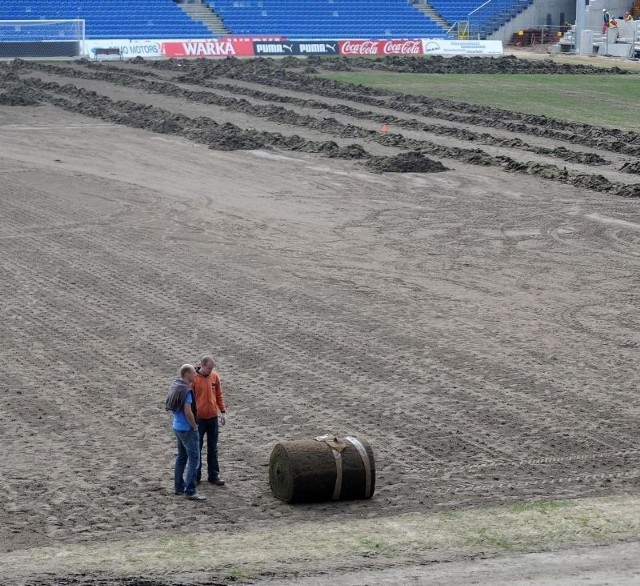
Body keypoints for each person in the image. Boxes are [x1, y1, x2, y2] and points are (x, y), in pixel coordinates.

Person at [165, 364, 205, 501]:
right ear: (187, 374)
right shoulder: (187, 391)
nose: (196, 375)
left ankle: (178, 487)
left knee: (181, 457)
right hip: (187, 429)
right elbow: (188, 412)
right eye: (194, 372)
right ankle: (190, 490)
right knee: (194, 459)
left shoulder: (175, 385)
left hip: (177, 426)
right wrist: (194, 426)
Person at [192, 355, 227, 486]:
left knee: (213, 449)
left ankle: (214, 475)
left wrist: (222, 412)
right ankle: (196, 476)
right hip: (199, 419)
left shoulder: (214, 376)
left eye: (212, 368)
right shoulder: (194, 379)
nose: (211, 370)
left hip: (212, 417)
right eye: (209, 368)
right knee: (197, 448)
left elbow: (219, 395)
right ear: (202, 365)